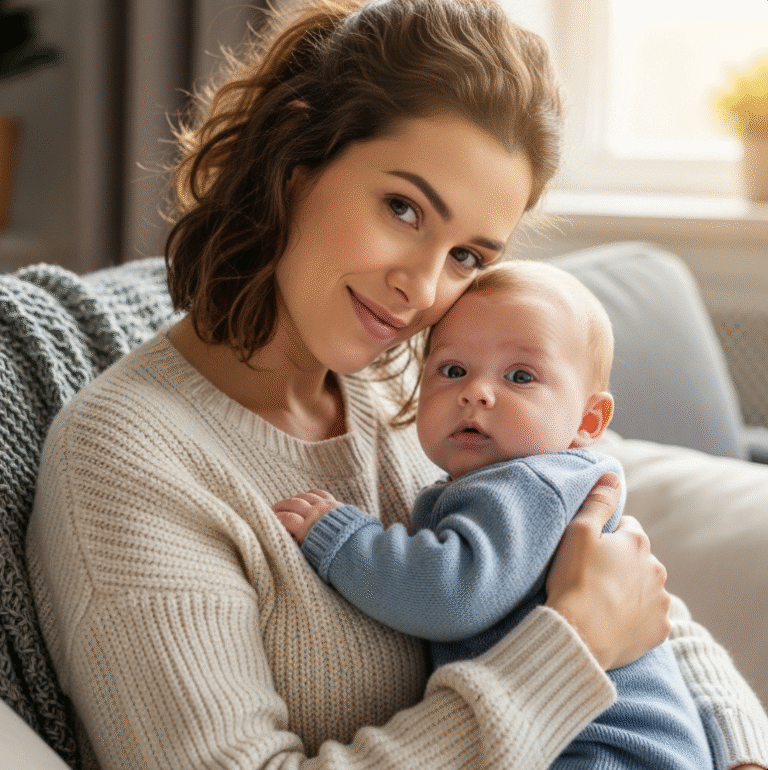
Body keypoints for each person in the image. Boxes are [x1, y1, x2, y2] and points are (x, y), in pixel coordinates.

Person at [25, 1, 768, 769]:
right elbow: (593, 619)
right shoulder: (127, 462)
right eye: (404, 209)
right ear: (295, 155)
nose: (421, 288)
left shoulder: (426, 379)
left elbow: (633, 593)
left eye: (467, 256)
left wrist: (743, 756)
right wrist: (569, 650)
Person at [274, 260, 713, 769]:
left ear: (587, 420)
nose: (475, 391)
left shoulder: (528, 484)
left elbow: (451, 592)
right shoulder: (517, 478)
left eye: (520, 376)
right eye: (453, 370)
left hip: (603, 750)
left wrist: (348, 539)